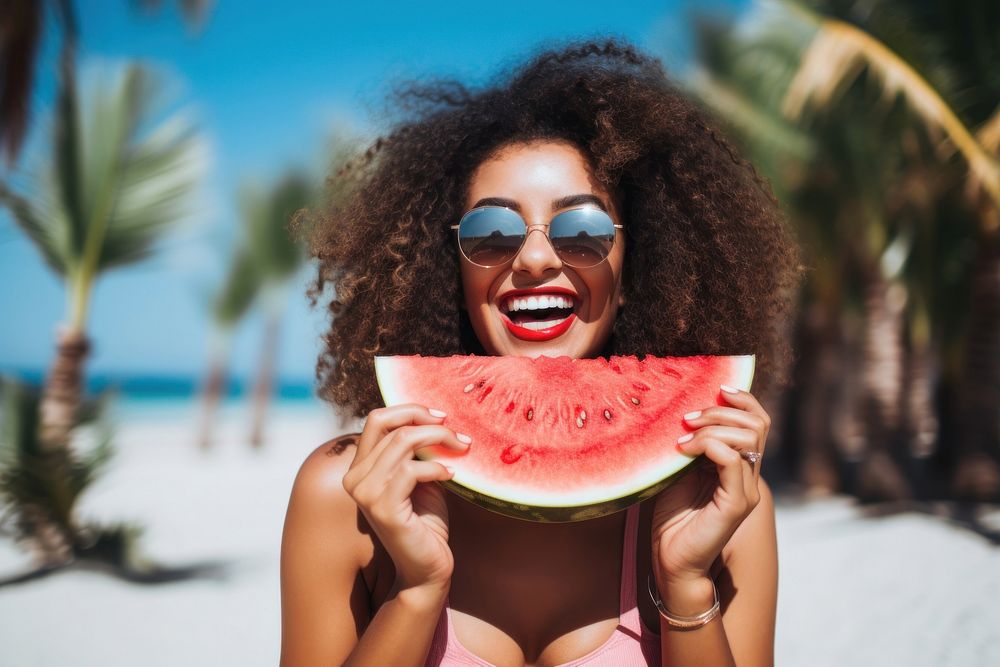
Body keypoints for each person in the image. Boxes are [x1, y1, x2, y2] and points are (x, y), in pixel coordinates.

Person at [280, 40, 799, 666]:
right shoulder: (345, 494)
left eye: (583, 231)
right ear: (451, 269)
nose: (533, 258)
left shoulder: (723, 505)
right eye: (491, 233)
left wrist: (685, 581)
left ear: (639, 270)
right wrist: (415, 592)